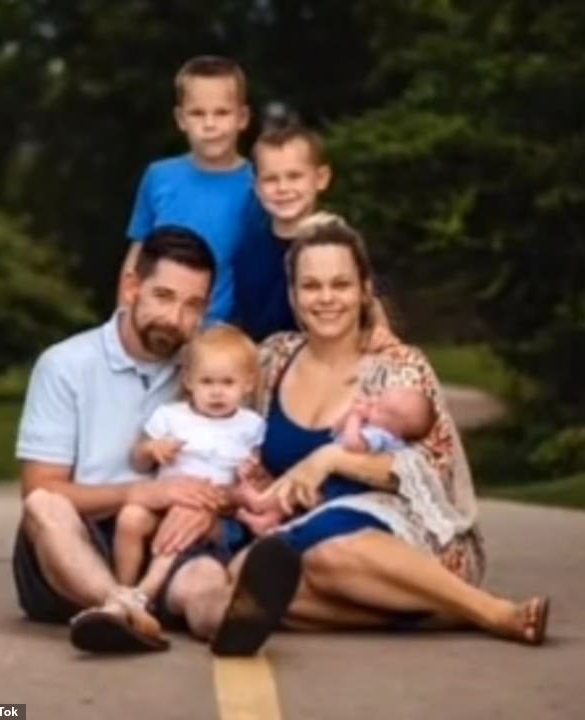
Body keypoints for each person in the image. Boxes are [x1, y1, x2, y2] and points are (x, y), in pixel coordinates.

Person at [155, 212, 549, 655]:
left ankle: (491, 610)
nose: (325, 299)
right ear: (293, 293)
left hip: (406, 538)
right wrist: (205, 499)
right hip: (290, 539)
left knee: (327, 553)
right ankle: (428, 614)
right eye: (311, 286)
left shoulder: (398, 366)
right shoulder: (270, 360)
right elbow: (213, 425)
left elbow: (431, 474)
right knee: (244, 575)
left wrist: (331, 459)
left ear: (363, 290)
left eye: (339, 285)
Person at [11, 226, 301, 654]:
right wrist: (145, 491)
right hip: (77, 540)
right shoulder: (65, 365)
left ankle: (232, 617)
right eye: (164, 296)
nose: (176, 318)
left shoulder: (206, 365)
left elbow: (235, 459)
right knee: (43, 506)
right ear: (132, 287)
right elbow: (42, 487)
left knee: (203, 582)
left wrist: (211, 503)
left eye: (193, 305)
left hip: (171, 535)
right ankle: (119, 605)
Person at [113, 324, 265, 603]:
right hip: (161, 505)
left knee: (184, 518)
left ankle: (146, 592)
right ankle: (122, 589)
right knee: (130, 517)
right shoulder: (171, 416)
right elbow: (136, 459)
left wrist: (250, 470)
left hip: (217, 518)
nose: (217, 392)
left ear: (248, 384)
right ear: (189, 381)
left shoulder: (250, 425)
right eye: (207, 382)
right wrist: (151, 449)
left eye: (227, 383)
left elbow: (257, 475)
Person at [117, 55, 263, 324]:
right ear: (180, 118)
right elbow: (138, 254)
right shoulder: (158, 176)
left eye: (221, 112)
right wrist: (123, 317)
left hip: (221, 336)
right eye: (198, 113)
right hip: (158, 327)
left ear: (242, 117)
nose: (209, 124)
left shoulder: (258, 185)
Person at [234, 122, 392, 342]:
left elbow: (373, 302)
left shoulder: (341, 241)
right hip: (269, 366)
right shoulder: (248, 250)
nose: (282, 188)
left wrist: (381, 333)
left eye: (294, 176)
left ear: (321, 178)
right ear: (257, 187)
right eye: (271, 179)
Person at [235, 384, 436, 536]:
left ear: (395, 428)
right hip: (334, 480)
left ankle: (262, 505)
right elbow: (337, 430)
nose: (373, 403)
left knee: (305, 503)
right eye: (377, 399)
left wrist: (356, 417)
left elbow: (351, 444)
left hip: (348, 487)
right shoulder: (379, 428)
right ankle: (266, 520)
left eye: (380, 409)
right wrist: (350, 414)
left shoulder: (379, 436)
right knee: (297, 497)